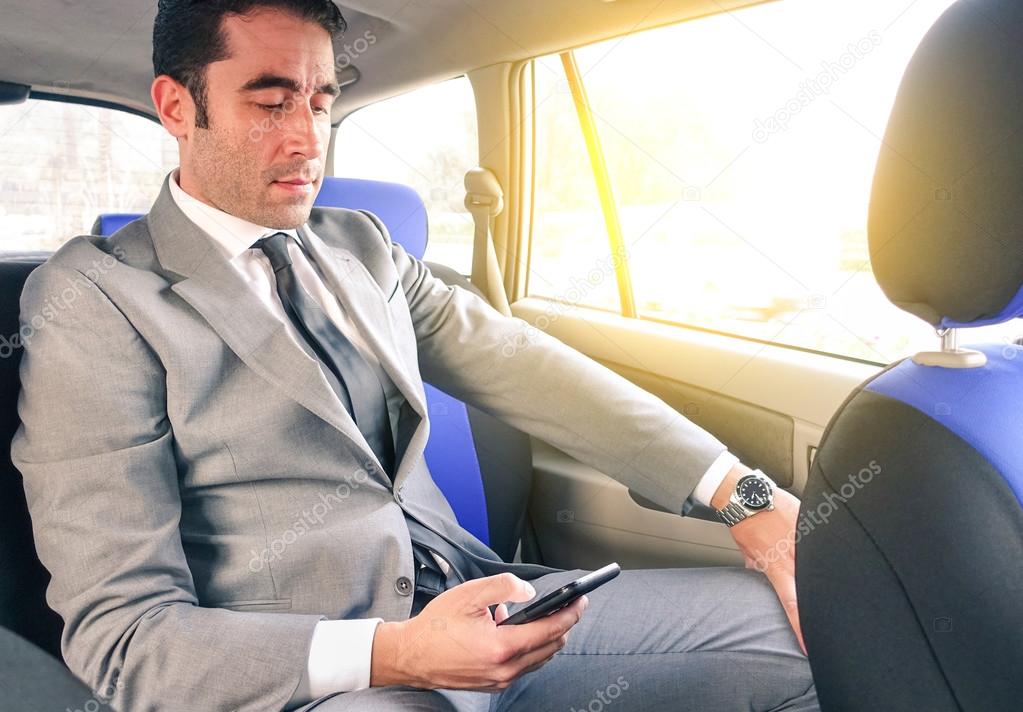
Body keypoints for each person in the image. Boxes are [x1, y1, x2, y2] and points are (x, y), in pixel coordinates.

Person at [12, 1, 817, 710]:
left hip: (485, 607)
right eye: (269, 100)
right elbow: (126, 642)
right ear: (177, 107)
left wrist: (740, 496)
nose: (305, 138)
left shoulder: (358, 245)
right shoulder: (95, 300)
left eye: (321, 100)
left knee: (821, 636)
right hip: (323, 679)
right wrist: (398, 653)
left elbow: (523, 363)